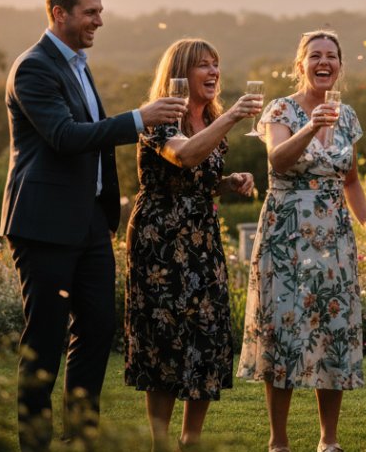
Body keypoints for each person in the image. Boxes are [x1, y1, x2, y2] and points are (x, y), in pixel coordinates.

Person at [1, 0, 186, 451]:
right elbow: (64, 137)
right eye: (90, 12)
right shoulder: (33, 68)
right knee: (43, 343)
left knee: (97, 331)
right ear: (59, 14)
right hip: (43, 226)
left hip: (88, 225)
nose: (99, 20)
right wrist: (140, 119)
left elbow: (93, 135)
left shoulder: (79, 65)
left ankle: (79, 440)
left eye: (100, 11)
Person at [238, 30, 366, 452]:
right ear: (300, 64)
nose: (325, 62)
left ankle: (328, 440)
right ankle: (279, 441)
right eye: (315, 56)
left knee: (333, 331)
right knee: (282, 332)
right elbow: (277, 159)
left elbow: (352, 181)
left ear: (340, 65)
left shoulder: (349, 115)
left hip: (335, 237)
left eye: (332, 56)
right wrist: (312, 127)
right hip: (286, 236)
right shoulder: (280, 109)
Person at [124, 38, 262, 450]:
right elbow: (182, 158)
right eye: (204, 65)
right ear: (182, 73)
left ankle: (191, 441)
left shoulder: (211, 120)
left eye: (217, 64)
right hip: (160, 241)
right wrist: (236, 115)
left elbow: (197, 177)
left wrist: (228, 181)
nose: (214, 72)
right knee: (164, 335)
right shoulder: (160, 117)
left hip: (202, 237)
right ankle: (160, 442)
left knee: (206, 332)